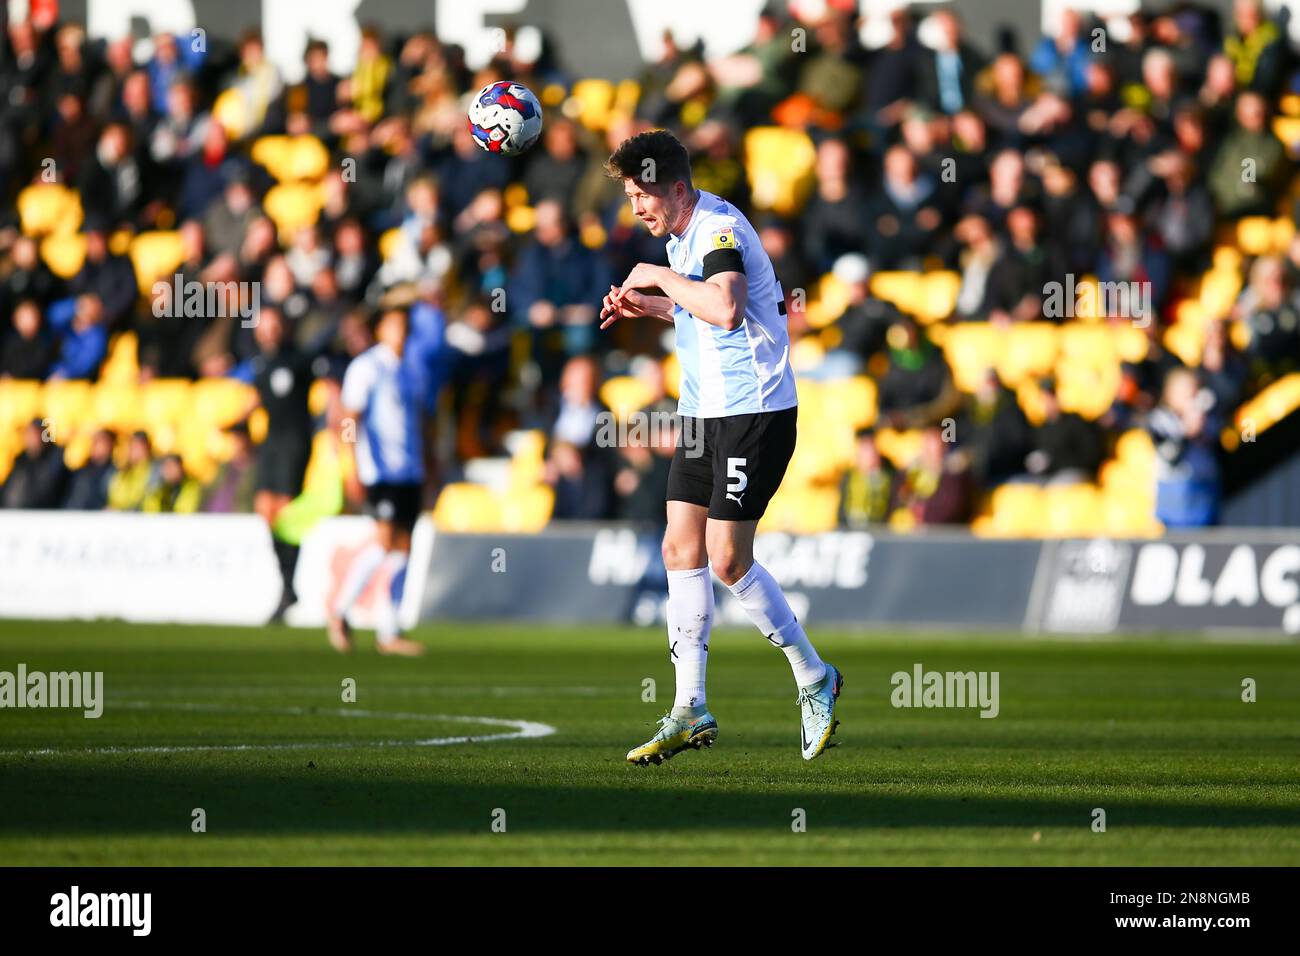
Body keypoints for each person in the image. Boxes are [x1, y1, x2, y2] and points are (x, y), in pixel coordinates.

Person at [599, 129, 842, 765]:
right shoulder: (683, 237)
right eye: (630, 197)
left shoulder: (718, 229)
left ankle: (814, 676)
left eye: (643, 195)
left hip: (752, 415)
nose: (637, 209)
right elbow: (703, 314)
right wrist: (646, 305)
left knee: (727, 560)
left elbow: (728, 308)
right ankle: (690, 708)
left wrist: (654, 274)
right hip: (703, 414)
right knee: (679, 547)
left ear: (677, 188)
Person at [327, 308, 428, 657]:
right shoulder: (367, 367)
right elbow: (348, 419)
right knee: (385, 543)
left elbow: (416, 422)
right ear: (380, 329)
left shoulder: (409, 369)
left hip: (409, 472)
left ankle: (389, 631)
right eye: (392, 324)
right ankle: (339, 611)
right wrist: (351, 465)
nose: (399, 331)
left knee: (403, 550)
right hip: (379, 472)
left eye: (403, 325)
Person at [244, 307, 317, 622]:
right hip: (271, 443)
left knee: (285, 514)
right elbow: (254, 402)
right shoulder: (259, 365)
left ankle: (289, 587)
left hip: (294, 442)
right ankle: (287, 586)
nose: (267, 331)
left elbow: (324, 385)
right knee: (265, 510)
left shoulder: (299, 360)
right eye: (263, 326)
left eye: (273, 325)